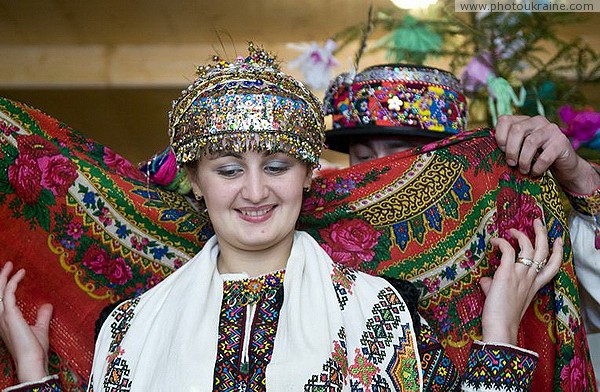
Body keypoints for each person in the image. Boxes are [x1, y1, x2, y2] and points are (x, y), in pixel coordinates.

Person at [0, 45, 562, 391]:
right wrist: (31, 370)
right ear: (194, 183)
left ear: (309, 174)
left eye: (275, 166)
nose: (254, 192)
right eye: (226, 170)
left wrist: (499, 335)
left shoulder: (384, 312)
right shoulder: (128, 329)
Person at [320, 62, 600, 390]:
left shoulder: (510, 238)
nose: (381, 175)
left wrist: (580, 178)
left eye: (405, 158)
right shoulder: (324, 254)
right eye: (364, 160)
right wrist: (501, 334)